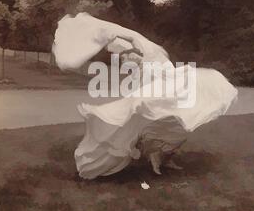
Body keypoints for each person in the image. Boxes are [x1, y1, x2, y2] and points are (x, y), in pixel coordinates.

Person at [52, 12, 238, 179]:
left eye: (126, 57)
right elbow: (137, 64)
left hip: (168, 82)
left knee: (179, 123)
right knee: (164, 120)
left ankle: (160, 156)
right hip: (160, 86)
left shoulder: (139, 44)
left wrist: (131, 43)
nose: (125, 60)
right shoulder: (133, 53)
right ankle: (155, 156)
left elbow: (137, 50)